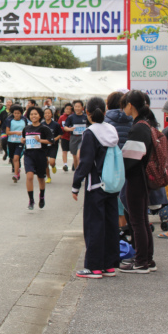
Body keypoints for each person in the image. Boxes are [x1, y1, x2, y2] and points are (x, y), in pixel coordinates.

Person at [71, 97, 121, 279]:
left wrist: (76, 185)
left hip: (95, 185)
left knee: (94, 225)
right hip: (112, 184)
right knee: (110, 224)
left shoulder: (90, 133)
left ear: (87, 112)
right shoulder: (112, 130)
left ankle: (94, 267)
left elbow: (85, 163)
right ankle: (109, 265)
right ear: (105, 111)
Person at [119, 90, 156, 273]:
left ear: (130, 105)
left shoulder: (139, 127)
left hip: (136, 178)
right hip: (142, 177)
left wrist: (118, 171)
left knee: (137, 221)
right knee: (142, 219)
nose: (123, 108)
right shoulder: (146, 123)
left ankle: (141, 261)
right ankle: (147, 258)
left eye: (124, 104)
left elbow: (131, 159)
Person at [104, 92, 133, 231]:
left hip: (112, 165)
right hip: (130, 163)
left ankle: (118, 236)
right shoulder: (131, 119)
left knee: (114, 199)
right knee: (127, 199)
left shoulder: (106, 121)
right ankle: (127, 232)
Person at [21, 107, 53, 209]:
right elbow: (24, 139)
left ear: (40, 115)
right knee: (29, 176)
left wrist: (40, 141)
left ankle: (42, 196)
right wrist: (22, 140)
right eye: (31, 114)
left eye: (35, 114)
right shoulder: (26, 128)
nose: (33, 116)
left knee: (40, 178)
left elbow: (51, 141)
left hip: (40, 156)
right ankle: (31, 200)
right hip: (29, 155)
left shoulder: (44, 128)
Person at [63, 100, 87, 172]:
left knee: (79, 156)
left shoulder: (86, 117)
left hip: (83, 138)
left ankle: (80, 173)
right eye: (75, 106)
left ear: (82, 107)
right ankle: (77, 172)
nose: (77, 108)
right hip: (73, 138)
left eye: (79, 106)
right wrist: (69, 129)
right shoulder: (71, 117)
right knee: (75, 158)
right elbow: (65, 127)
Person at [6, 105, 27, 182]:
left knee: (16, 158)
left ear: (21, 113)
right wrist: (15, 132)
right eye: (15, 113)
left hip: (20, 142)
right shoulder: (9, 120)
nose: (17, 114)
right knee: (12, 157)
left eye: (18, 113)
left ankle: (15, 174)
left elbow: (26, 130)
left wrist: (24, 136)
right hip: (11, 141)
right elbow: (7, 132)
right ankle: (17, 169)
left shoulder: (24, 120)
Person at [42, 108, 62, 184]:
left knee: (51, 162)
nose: (47, 115)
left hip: (53, 146)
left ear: (51, 114)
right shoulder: (42, 124)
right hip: (44, 146)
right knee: (45, 162)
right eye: (45, 113)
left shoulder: (56, 124)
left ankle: (53, 166)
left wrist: (54, 140)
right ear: (44, 115)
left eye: (49, 113)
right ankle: (48, 177)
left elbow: (60, 134)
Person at [58, 103, 73, 171]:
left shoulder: (73, 117)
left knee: (74, 152)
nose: (68, 110)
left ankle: (74, 163)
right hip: (64, 137)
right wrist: (63, 128)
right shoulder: (62, 117)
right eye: (66, 109)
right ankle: (65, 164)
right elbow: (58, 126)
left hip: (72, 137)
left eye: (69, 109)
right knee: (64, 151)